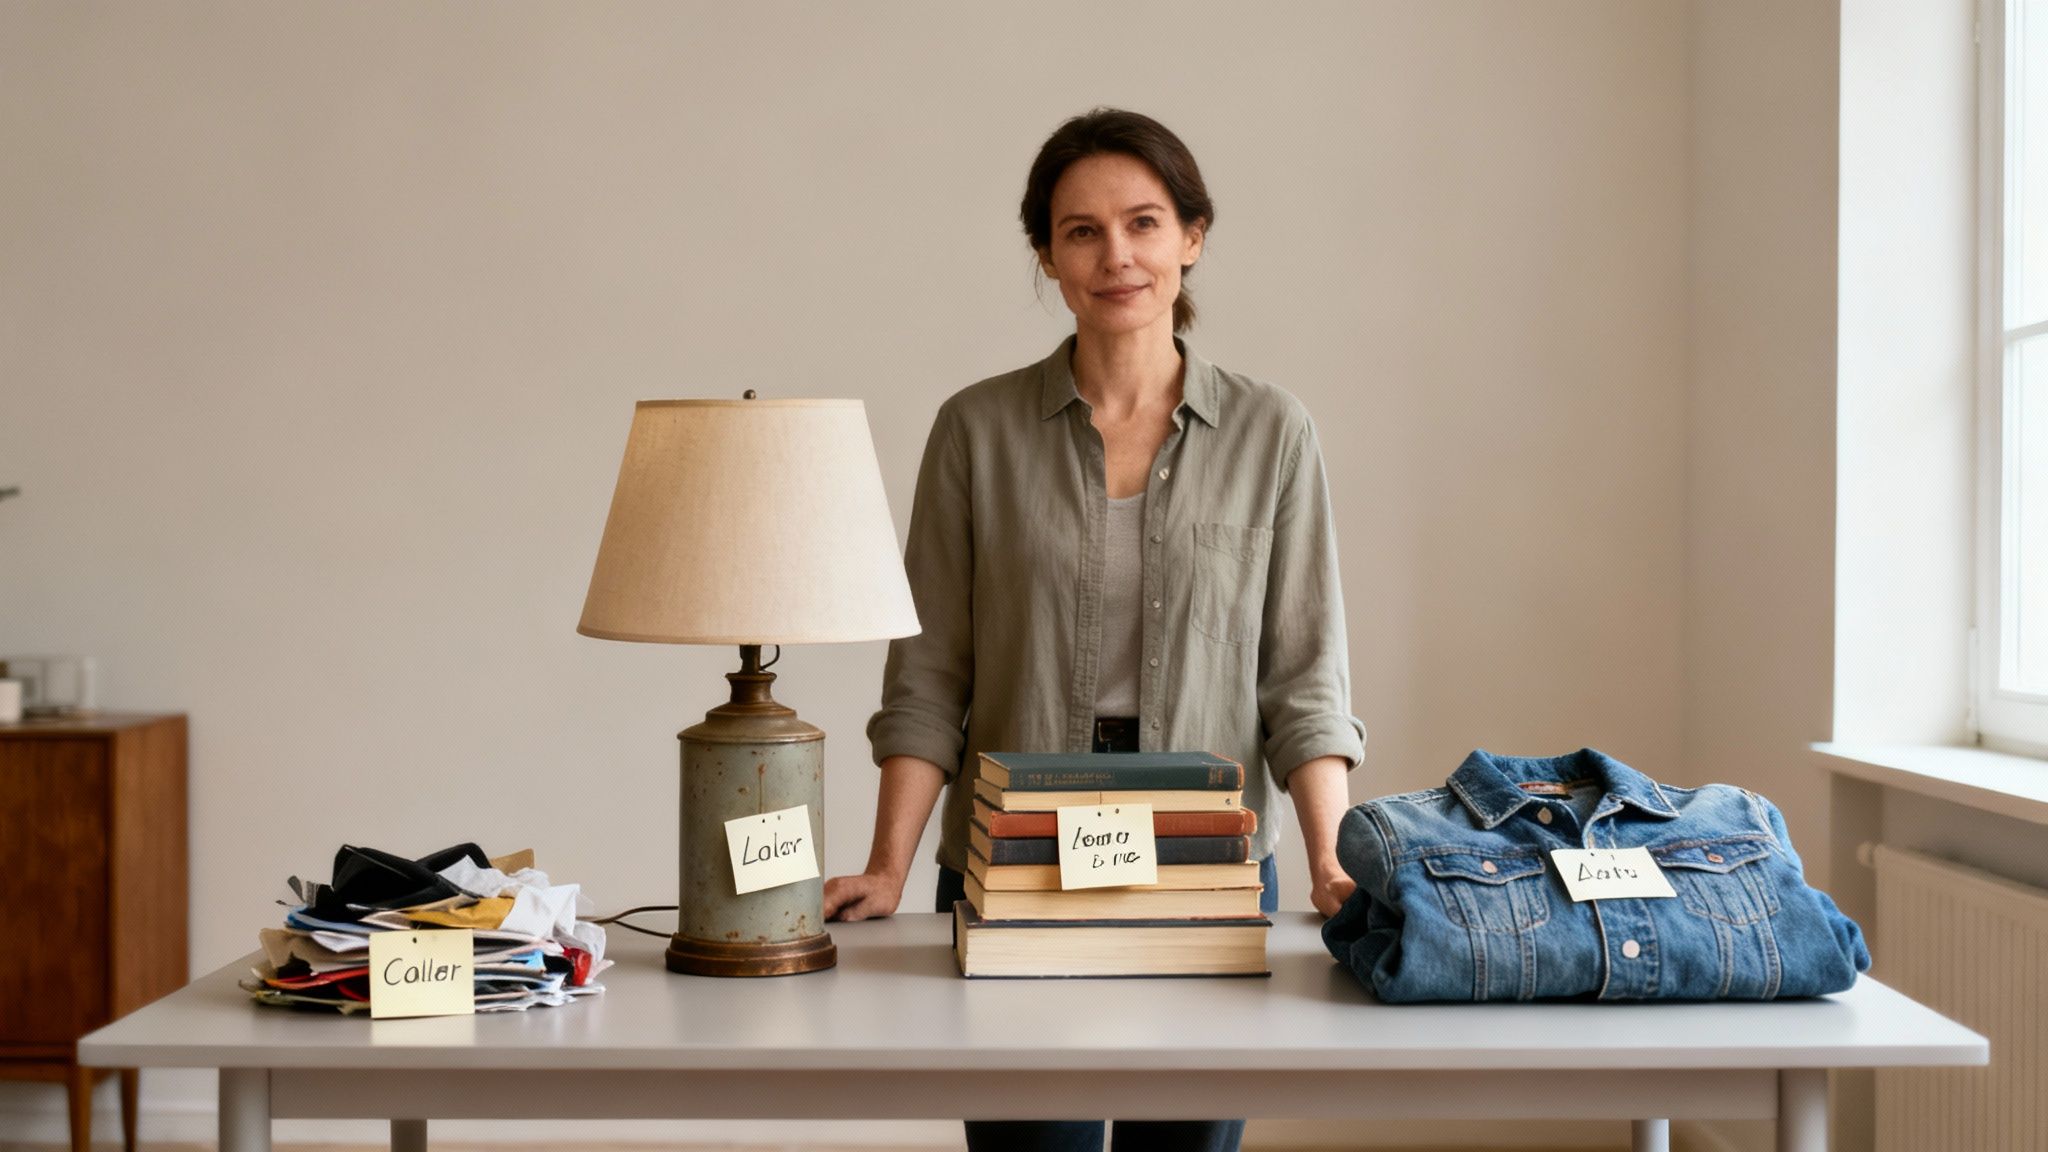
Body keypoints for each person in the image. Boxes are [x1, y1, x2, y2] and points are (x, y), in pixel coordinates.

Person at [824, 107, 1367, 1152]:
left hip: (1206, 862)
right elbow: (928, 677)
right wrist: (887, 868)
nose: (1115, 255)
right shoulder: (974, 430)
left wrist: (1330, 863)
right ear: (1045, 254)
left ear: (1191, 237)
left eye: (1143, 223)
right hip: (1012, 856)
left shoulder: (1272, 432)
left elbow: (1302, 681)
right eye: (1079, 231)